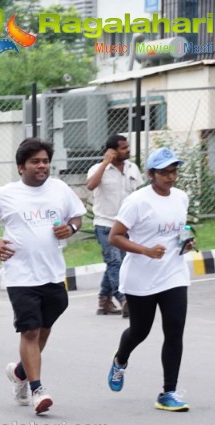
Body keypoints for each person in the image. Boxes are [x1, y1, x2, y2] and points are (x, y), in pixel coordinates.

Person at [0, 137, 84, 416]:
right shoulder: (6, 194)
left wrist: (70, 229)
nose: (42, 166)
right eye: (35, 161)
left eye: (45, 161)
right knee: (31, 331)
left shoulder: (59, 189)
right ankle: (37, 389)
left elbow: (77, 218)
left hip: (53, 273)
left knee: (42, 330)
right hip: (21, 276)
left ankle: (20, 372)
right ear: (21, 166)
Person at [106, 147, 193, 412]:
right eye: (165, 172)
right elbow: (115, 237)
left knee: (174, 331)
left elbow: (178, 230)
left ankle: (169, 392)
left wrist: (187, 242)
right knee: (140, 331)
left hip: (174, 274)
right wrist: (146, 250)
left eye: (174, 171)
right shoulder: (138, 201)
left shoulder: (180, 197)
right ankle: (120, 360)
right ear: (151, 174)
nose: (171, 177)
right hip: (141, 277)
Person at [86, 134, 141, 318]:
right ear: (111, 151)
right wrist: (105, 163)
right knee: (114, 262)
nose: (128, 150)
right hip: (105, 224)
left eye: (127, 147)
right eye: (123, 148)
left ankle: (104, 301)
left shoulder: (133, 168)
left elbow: (138, 195)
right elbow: (91, 185)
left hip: (125, 226)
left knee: (120, 263)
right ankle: (124, 299)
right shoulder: (97, 169)